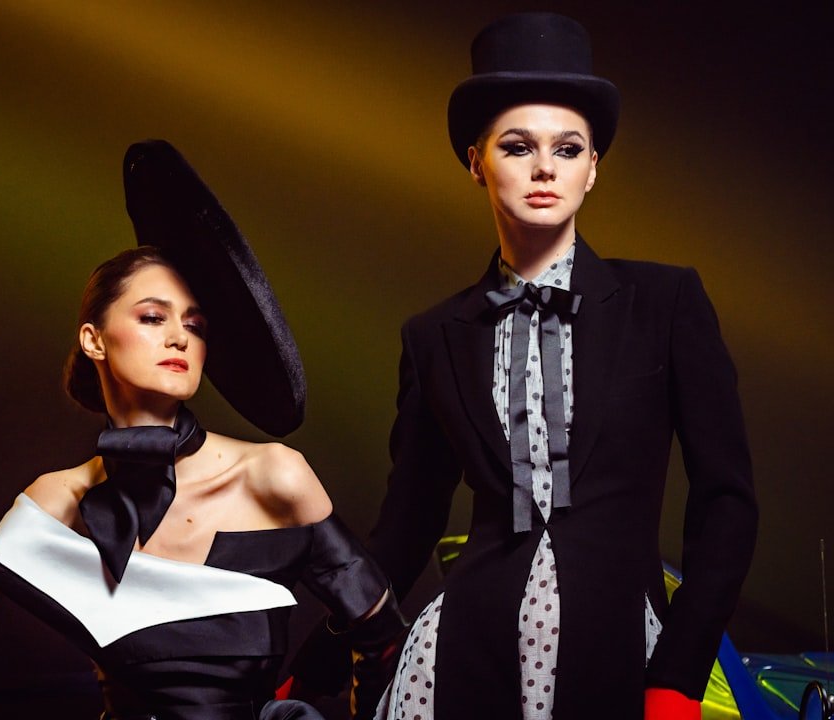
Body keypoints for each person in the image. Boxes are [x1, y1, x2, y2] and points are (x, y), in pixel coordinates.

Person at [294, 12, 758, 720]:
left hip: (622, 653)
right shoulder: (434, 335)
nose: (545, 167)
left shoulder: (665, 303)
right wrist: (317, 659)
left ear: (593, 168)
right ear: (476, 161)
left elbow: (727, 502)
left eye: (568, 149)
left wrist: (680, 675)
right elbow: (407, 527)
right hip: (460, 657)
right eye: (517, 146)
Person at [0, 139, 403, 720]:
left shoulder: (272, 473)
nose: (179, 336)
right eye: (152, 317)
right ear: (94, 339)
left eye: (195, 326)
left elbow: (383, 641)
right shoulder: (62, 497)